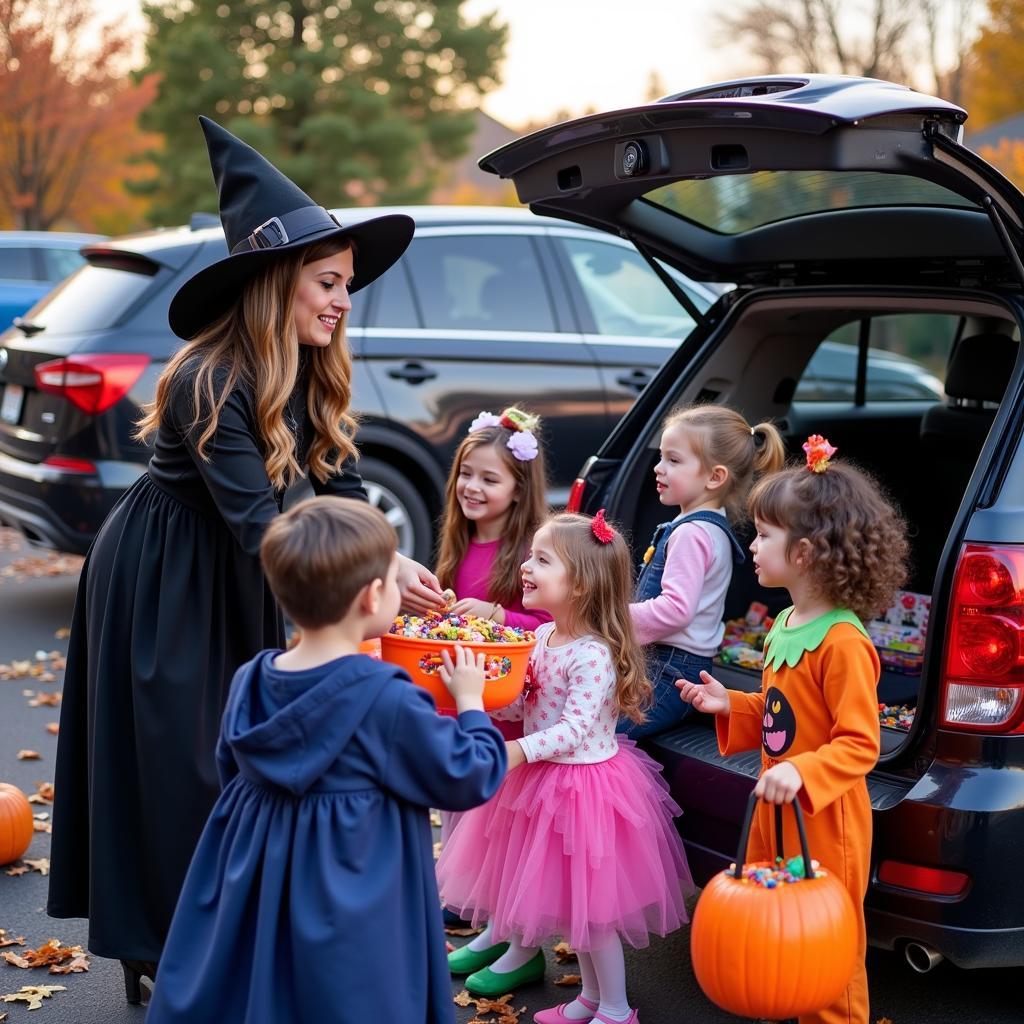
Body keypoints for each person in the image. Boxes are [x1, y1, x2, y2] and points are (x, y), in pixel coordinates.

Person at [47, 117, 442, 998]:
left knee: (251, 756)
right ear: (276, 284)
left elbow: (330, 489)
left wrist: (393, 561)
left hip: (259, 560)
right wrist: (371, 579)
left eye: (348, 285)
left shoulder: (309, 367)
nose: (343, 301)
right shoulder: (206, 378)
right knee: (182, 764)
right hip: (171, 575)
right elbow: (262, 519)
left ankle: (245, 934)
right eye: (327, 282)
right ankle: (162, 949)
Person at [143, 496, 506, 1024]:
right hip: (355, 881)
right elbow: (468, 774)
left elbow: (231, 767)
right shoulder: (387, 698)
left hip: (260, 877)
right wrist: (472, 703)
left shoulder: (253, 677)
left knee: (272, 984)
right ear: (372, 596)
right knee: (348, 994)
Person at [677, 435, 909, 1024]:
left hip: (826, 819)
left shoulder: (843, 642)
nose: (751, 546)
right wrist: (728, 703)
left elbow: (860, 742)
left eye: (762, 535)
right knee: (784, 938)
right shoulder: (785, 622)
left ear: (803, 552)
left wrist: (803, 772)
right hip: (777, 808)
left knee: (828, 946)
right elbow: (784, 716)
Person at [438, 511, 693, 1024]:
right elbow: (524, 705)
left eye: (542, 559)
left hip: (584, 790)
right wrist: (481, 696)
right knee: (577, 918)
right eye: (531, 555)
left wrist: (517, 750)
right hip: (541, 783)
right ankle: (590, 1000)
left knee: (593, 916)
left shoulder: (593, 654)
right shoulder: (542, 639)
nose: (526, 567)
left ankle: (617, 1010)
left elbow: (574, 729)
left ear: (579, 584)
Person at [433, 407, 552, 873]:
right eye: (465, 474)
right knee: (451, 791)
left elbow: (550, 625)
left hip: (502, 701)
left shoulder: (530, 553)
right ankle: (455, 886)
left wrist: (498, 615)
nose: (472, 488)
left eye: (489, 479)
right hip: (455, 691)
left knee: (489, 805)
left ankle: (477, 894)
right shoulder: (459, 542)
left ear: (519, 489)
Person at [621, 405, 784, 739]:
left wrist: (611, 618)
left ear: (715, 476)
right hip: (669, 665)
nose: (658, 468)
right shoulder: (705, 527)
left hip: (671, 671)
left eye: (673, 460)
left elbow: (676, 610)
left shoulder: (692, 534)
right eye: (661, 457)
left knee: (602, 733)